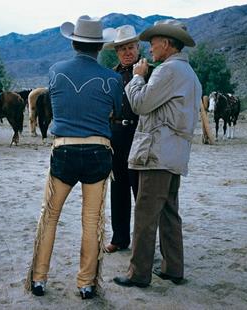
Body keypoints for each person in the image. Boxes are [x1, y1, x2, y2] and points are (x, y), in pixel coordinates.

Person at [25, 16, 123, 299]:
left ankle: (39, 278)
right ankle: (86, 283)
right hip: (98, 151)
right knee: (92, 221)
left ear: (74, 43)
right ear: (99, 47)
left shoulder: (56, 71)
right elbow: (115, 110)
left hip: (64, 150)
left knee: (50, 216)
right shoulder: (113, 79)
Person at [113, 19, 202, 288]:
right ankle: (173, 268)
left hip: (157, 154)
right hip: (175, 154)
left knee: (145, 215)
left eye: (152, 43)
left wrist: (138, 77)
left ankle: (138, 273)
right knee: (169, 213)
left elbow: (140, 103)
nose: (149, 48)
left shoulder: (167, 71)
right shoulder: (189, 73)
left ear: (165, 43)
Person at [103, 25, 153, 254]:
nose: (127, 52)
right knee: (118, 189)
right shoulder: (111, 76)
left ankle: (144, 245)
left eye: (130, 47)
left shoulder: (149, 72)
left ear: (138, 47)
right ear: (116, 52)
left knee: (141, 193)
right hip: (116, 136)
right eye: (122, 48)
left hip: (140, 135)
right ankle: (120, 238)